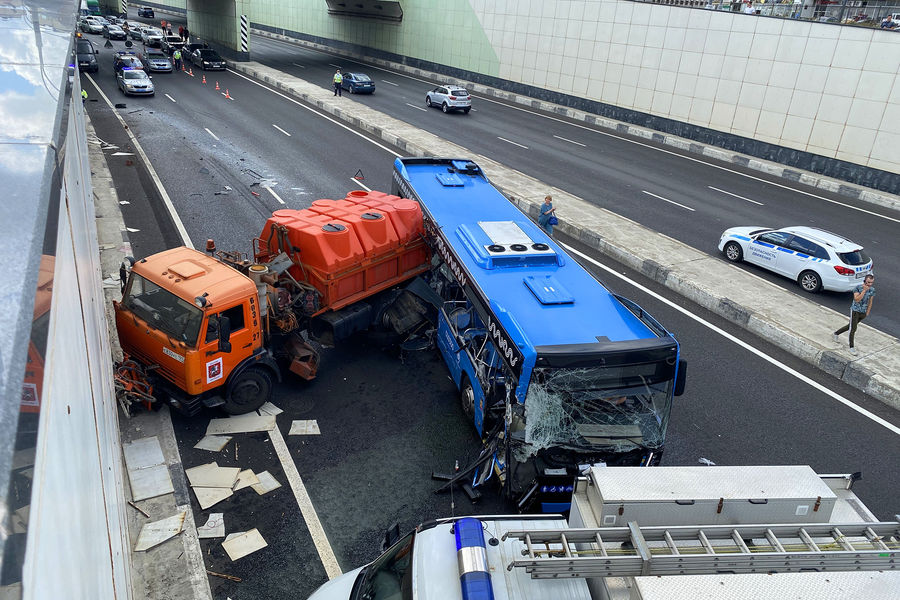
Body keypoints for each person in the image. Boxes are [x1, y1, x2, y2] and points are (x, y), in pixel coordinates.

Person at [832, 274, 875, 356]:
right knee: (853, 329)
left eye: (871, 282)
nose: (869, 284)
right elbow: (857, 299)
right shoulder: (858, 288)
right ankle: (851, 347)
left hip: (863, 312)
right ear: (865, 280)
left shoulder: (872, 290)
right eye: (868, 282)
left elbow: (870, 301)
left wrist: (867, 312)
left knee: (850, 326)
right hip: (855, 311)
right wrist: (864, 291)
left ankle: (836, 333)